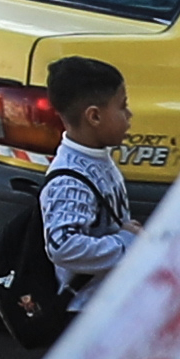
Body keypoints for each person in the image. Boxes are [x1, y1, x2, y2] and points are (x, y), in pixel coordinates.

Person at [31, 55, 141, 319]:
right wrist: (126, 242)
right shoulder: (70, 179)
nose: (129, 115)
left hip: (109, 304)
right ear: (94, 116)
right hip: (84, 312)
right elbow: (63, 246)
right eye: (122, 106)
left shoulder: (96, 157)